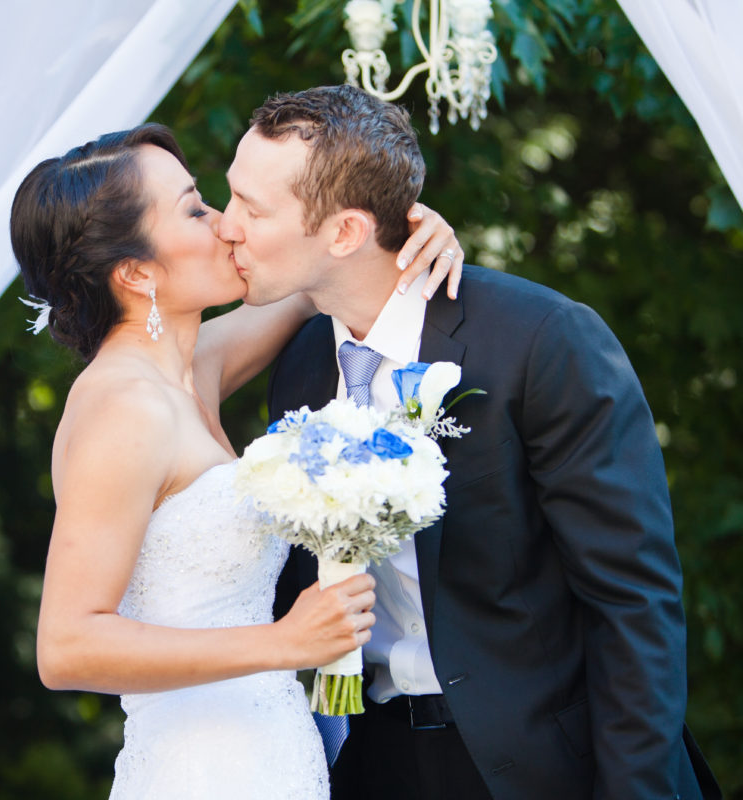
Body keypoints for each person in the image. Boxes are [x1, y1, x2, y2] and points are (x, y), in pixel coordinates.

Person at [222, 84, 721, 799]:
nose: (226, 226)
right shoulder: (300, 366)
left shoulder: (538, 341)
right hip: (373, 764)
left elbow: (632, 603)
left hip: (547, 766)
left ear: (344, 233)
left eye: (253, 208)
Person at [10, 123, 465, 799]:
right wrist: (284, 643)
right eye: (195, 209)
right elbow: (67, 646)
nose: (226, 224)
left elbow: (322, 278)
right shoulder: (123, 408)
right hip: (199, 770)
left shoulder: (192, 368)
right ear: (136, 272)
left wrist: (413, 232)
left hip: (274, 756)